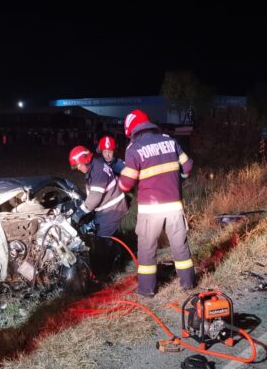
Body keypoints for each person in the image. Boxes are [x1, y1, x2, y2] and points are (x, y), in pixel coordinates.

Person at [118, 110, 195, 297]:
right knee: (180, 246)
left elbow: (126, 183)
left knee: (147, 251)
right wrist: (178, 179)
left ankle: (147, 290)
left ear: (132, 130)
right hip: (174, 206)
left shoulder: (134, 148)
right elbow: (187, 166)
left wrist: (120, 184)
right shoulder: (170, 141)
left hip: (150, 210)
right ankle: (188, 284)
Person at [68, 145, 128, 276]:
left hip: (112, 210)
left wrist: (78, 214)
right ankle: (118, 258)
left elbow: (94, 199)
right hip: (108, 208)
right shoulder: (95, 166)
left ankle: (104, 274)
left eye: (78, 165)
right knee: (108, 238)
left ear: (86, 159)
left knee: (102, 241)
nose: (78, 168)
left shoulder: (98, 172)